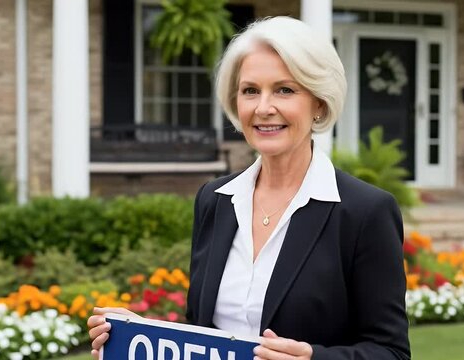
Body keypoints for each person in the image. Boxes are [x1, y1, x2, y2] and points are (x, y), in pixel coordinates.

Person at [87, 16, 410, 360]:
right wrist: (140, 338)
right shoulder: (215, 200)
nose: (263, 108)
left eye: (284, 90)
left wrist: (314, 358)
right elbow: (205, 333)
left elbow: (390, 352)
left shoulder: (365, 212)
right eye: (250, 90)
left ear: (318, 102)